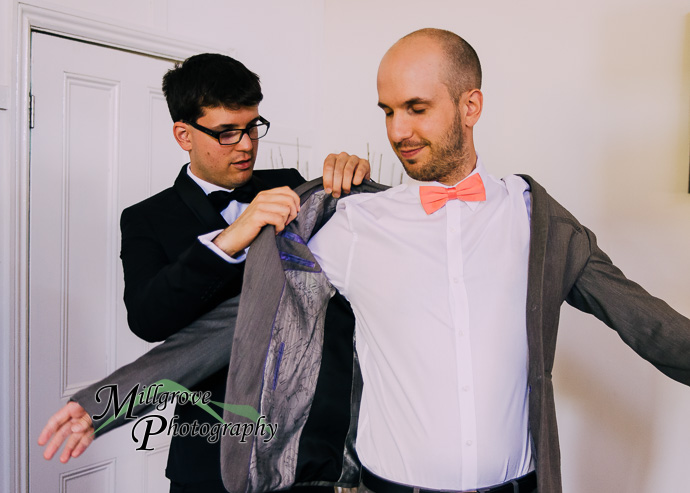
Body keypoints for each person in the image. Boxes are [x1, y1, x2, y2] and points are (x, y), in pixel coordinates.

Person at [41, 30, 690, 493]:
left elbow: (648, 322)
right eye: (387, 111)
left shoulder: (536, 216)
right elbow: (233, 326)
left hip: (516, 485)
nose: (399, 132)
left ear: (471, 106)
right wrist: (104, 403)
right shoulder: (349, 220)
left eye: (417, 108)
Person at [38, 52, 369, 493]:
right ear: (184, 134)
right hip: (210, 455)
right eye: (227, 133)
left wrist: (353, 182)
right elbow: (150, 319)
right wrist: (231, 238)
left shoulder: (290, 185)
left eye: (253, 126)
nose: (247, 144)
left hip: (305, 449)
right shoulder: (148, 218)